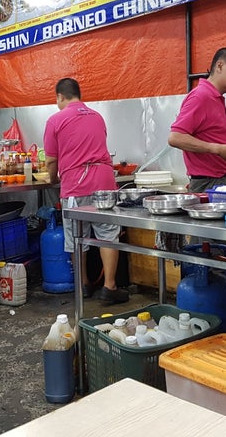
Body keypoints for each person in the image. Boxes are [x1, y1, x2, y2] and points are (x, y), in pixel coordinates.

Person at [43, 78, 129, 304]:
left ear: (60, 96)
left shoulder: (55, 120)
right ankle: (109, 287)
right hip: (104, 182)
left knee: (76, 236)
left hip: (75, 185)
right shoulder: (98, 117)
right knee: (108, 234)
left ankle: (83, 284)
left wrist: (52, 180)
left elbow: (51, 160)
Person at [168, 47, 226, 193]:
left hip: (217, 182)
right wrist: (218, 149)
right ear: (220, 66)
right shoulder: (201, 96)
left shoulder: (214, 98)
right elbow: (176, 138)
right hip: (209, 184)